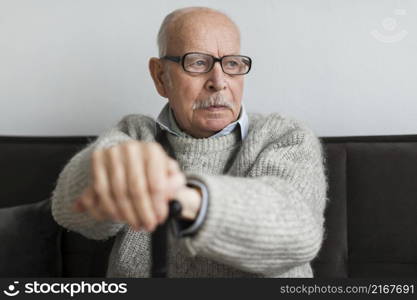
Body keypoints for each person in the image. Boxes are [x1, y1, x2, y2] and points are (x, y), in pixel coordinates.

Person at [51, 6, 328, 278]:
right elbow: (70, 211)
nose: (219, 82)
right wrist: (106, 172)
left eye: (232, 64)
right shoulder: (135, 135)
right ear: (161, 76)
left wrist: (184, 196)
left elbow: (296, 230)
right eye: (197, 62)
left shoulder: (283, 137)